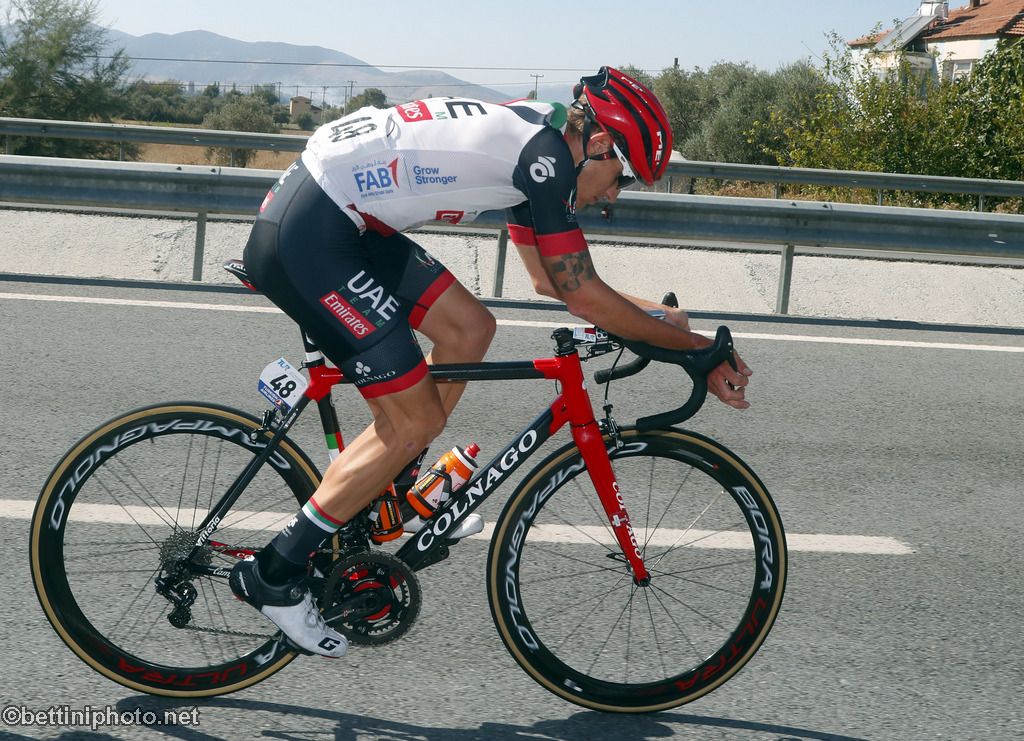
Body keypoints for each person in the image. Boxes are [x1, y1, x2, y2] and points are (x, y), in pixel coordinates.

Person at [229, 67, 753, 657]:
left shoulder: (543, 145)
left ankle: (392, 495)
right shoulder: (545, 158)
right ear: (602, 143)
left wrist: (661, 318)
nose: (613, 197)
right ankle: (274, 572)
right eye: (622, 178)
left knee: (470, 329)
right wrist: (695, 348)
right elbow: (580, 292)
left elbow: (549, 281)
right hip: (314, 233)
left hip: (343, 222)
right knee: (414, 421)